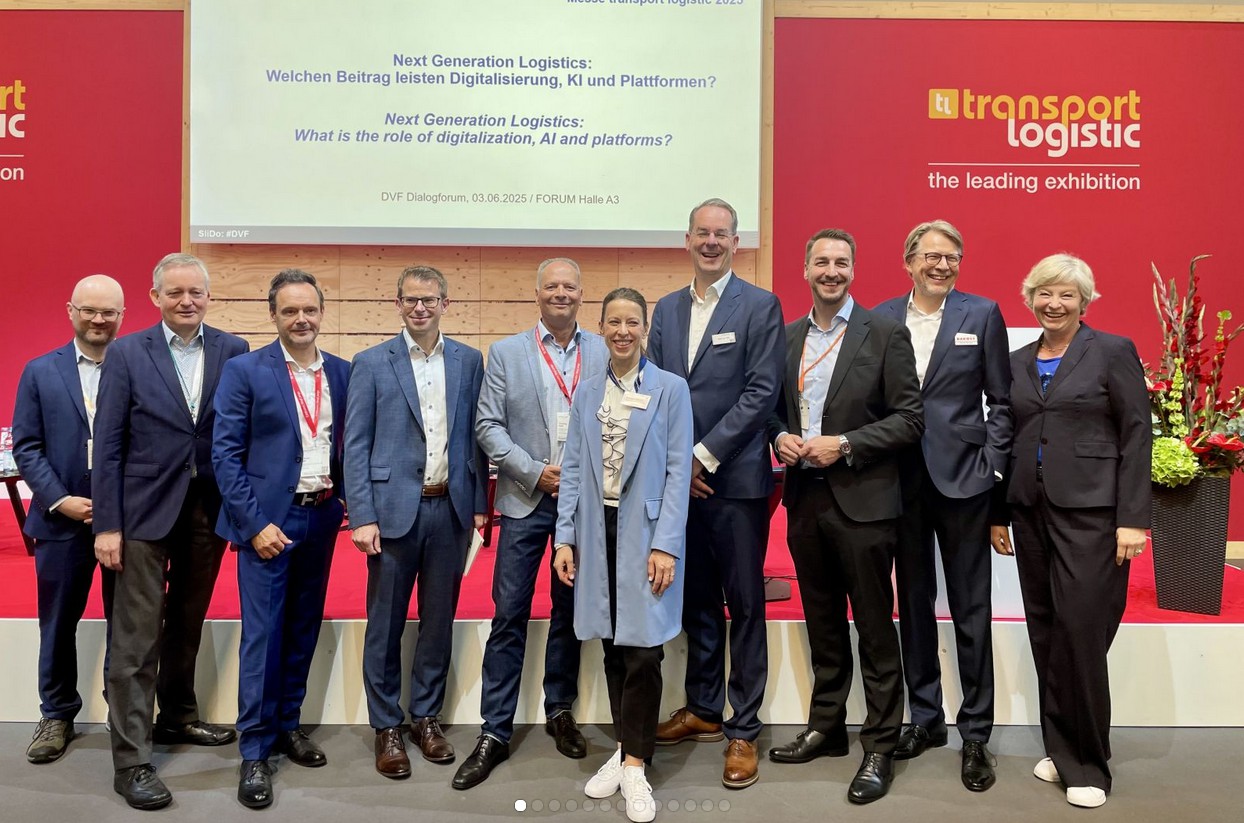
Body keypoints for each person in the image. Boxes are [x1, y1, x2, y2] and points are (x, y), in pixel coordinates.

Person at [767, 229, 924, 804]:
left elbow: (910, 419)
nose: (831, 271)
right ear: (805, 270)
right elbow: (771, 411)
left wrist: (847, 444)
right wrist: (779, 437)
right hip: (805, 501)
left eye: (840, 262)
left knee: (876, 629)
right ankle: (827, 727)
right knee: (823, 623)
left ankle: (879, 745)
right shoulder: (788, 338)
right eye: (821, 262)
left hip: (865, 503)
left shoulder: (884, 333)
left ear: (853, 271)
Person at [990, 254, 1150, 809]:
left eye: (1066, 295)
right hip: (1029, 511)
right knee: (1046, 630)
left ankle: (1088, 765)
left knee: (1081, 632)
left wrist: (1133, 518)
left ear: (1084, 301)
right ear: (1030, 298)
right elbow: (1006, 438)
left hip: (1094, 514)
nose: (1054, 304)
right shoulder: (1016, 361)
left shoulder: (1112, 351)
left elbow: (1137, 433)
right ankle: (1061, 749)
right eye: (1044, 293)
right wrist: (997, 512)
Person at [92, 253, 248, 810]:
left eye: (195, 292)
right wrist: (107, 524)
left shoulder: (234, 350)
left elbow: (237, 434)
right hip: (141, 514)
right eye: (175, 292)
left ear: (209, 297)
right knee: (135, 639)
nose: (186, 301)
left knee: (187, 623)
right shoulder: (127, 352)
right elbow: (108, 444)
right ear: (155, 297)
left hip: (207, 512)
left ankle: (178, 716)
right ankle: (131, 761)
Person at [453, 258, 607, 790]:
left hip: (584, 504)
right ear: (537, 294)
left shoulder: (603, 350)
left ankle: (560, 709)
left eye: (570, 286)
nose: (561, 293)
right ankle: (494, 730)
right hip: (525, 499)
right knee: (510, 613)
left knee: (569, 611)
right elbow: (487, 425)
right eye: (551, 286)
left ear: (582, 294)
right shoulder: (507, 352)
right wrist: (535, 471)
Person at [647, 198, 784, 789]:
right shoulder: (667, 309)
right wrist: (678, 465)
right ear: (687, 240)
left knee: (745, 603)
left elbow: (761, 392)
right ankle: (704, 708)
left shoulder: (759, 305)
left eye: (721, 234)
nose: (710, 242)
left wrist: (702, 456)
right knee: (696, 600)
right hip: (682, 487)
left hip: (735, 482)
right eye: (701, 233)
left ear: (735, 242)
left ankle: (743, 728)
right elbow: (654, 389)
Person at [874, 220, 1013, 791]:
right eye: (931, 255)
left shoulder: (982, 314)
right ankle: (926, 719)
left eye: (952, 256)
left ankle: (975, 733)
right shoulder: (881, 317)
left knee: (971, 610)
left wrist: (992, 466)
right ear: (909, 261)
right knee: (913, 606)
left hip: (964, 483)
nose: (942, 265)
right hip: (900, 482)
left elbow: (1002, 400)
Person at [553, 287, 693, 823]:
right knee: (612, 644)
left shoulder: (670, 389)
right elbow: (571, 468)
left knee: (644, 651)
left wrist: (666, 544)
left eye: (632, 322)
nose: (622, 331)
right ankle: (625, 748)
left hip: (647, 532)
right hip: (597, 529)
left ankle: (635, 764)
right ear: (601, 327)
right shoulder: (588, 391)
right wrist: (564, 537)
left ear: (645, 329)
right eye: (613, 322)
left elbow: (678, 472)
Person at [211, 270, 350, 808]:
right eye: (289, 310)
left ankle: (289, 724)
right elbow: (225, 455)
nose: (300, 319)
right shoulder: (245, 370)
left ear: (322, 313)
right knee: (263, 637)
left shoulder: (341, 372)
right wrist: (254, 525)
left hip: (322, 517)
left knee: (302, 628)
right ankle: (254, 750)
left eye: (309, 309)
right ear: (273, 315)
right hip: (267, 524)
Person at [345, 265, 488, 779]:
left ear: (446, 304)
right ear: (398, 304)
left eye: (429, 299)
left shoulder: (469, 360)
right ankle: (386, 726)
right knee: (384, 623)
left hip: (450, 510)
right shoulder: (371, 362)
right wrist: (362, 514)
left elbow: (475, 436)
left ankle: (426, 717)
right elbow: (355, 445)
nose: (420, 308)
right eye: (411, 300)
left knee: (438, 621)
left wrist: (478, 504)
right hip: (390, 513)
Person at [13, 275, 125, 764]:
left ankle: (124, 713)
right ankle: (57, 713)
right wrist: (60, 500)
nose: (99, 319)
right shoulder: (40, 371)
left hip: (125, 522)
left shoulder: (136, 367)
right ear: (71, 311)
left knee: (128, 625)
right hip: (60, 522)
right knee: (58, 623)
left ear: (122, 316)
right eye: (89, 310)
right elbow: (27, 446)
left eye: (109, 312)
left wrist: (120, 506)